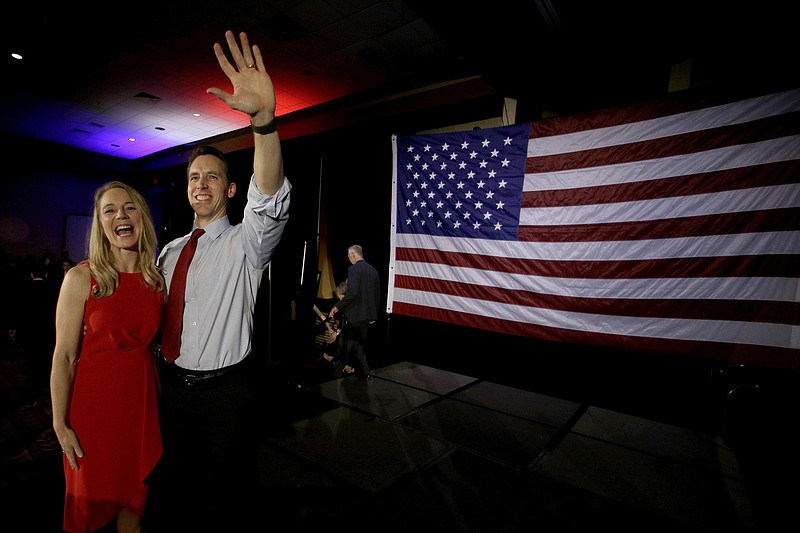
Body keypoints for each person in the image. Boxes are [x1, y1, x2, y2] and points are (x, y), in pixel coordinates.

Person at [145, 30, 291, 532]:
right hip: (170, 390)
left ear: (229, 188)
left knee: (226, 499)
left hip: (224, 395)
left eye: (210, 177)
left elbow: (268, 196)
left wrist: (264, 124)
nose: (200, 185)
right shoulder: (169, 251)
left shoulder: (248, 242)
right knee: (174, 490)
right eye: (192, 178)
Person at [50, 181, 164, 533]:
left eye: (129, 207)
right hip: (93, 412)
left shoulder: (156, 279)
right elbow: (64, 357)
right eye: (109, 211)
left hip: (141, 406)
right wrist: (59, 423)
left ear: (141, 217)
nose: (121, 216)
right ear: (100, 224)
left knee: (135, 505)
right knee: (87, 508)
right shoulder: (81, 277)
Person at [329, 245, 380, 380]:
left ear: (354, 255)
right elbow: (377, 295)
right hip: (366, 317)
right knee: (358, 346)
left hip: (354, 316)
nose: (348, 258)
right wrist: (373, 314)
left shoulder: (353, 269)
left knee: (343, 347)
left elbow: (352, 293)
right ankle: (365, 371)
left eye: (348, 255)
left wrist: (337, 306)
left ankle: (335, 376)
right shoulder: (373, 271)